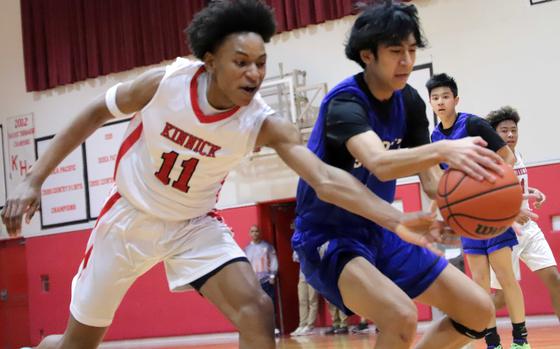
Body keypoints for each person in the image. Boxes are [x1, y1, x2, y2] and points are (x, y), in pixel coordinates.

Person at [0, 1, 475, 349]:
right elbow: (91, 113)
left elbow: (328, 181)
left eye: (261, 64)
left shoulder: (263, 122)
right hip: (129, 217)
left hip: (194, 225)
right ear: (210, 62)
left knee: (258, 310)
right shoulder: (166, 83)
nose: (254, 74)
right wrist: (33, 178)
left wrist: (395, 220)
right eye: (241, 62)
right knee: (76, 346)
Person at [292, 3, 507, 349]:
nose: (406, 60)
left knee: (480, 311)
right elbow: (379, 161)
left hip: (382, 229)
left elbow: (433, 182)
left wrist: (499, 198)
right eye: (395, 52)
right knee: (400, 316)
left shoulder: (408, 102)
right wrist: (443, 149)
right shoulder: (344, 103)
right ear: (367, 56)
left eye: (411, 50)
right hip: (328, 236)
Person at [428, 74, 530, 349]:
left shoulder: (472, 124)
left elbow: (506, 156)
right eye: (435, 98)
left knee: (506, 277)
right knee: (480, 284)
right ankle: (492, 342)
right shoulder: (435, 136)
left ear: (456, 100)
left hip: (492, 212)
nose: (440, 102)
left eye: (445, 96)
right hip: (467, 220)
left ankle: (521, 340)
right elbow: (443, 181)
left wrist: (489, 187)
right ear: (430, 102)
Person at [486, 106, 560, 322]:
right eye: (504, 131)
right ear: (494, 134)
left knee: (554, 280)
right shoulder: (491, 162)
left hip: (529, 229)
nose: (510, 135)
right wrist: (510, 213)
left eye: (513, 130)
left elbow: (514, 187)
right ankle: (464, 324)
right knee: (500, 298)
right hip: (505, 232)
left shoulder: (518, 155)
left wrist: (531, 192)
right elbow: (484, 200)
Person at [244, 225, 278, 302]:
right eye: (252, 231)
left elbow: (274, 261)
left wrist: (272, 276)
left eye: (256, 231)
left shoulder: (267, 246)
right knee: (257, 306)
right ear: (249, 234)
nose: (254, 233)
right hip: (253, 283)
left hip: (266, 282)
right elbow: (245, 266)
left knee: (269, 304)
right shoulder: (247, 249)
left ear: (260, 233)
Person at [291, 251, 318, 337]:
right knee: (302, 300)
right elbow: (295, 257)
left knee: (312, 300)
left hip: (313, 274)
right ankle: (302, 324)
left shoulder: (314, 241)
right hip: (302, 275)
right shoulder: (298, 244)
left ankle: (310, 325)